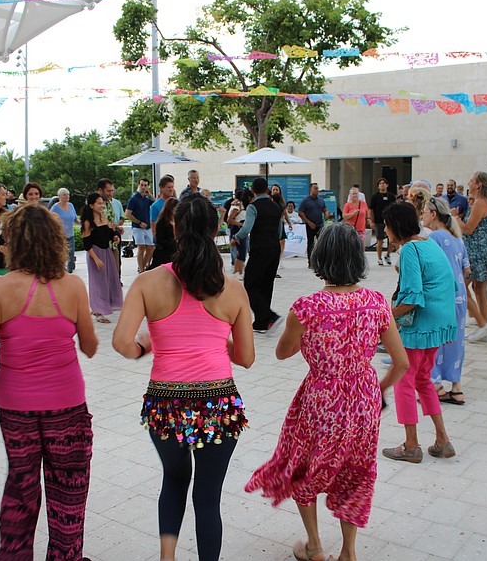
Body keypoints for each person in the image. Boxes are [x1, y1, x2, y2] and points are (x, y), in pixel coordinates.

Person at [245, 223, 409, 561]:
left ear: (320, 258)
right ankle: (349, 552)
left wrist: (309, 340)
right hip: (364, 399)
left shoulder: (307, 308)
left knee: (305, 466)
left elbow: (282, 352)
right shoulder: (377, 303)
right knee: (357, 470)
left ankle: (315, 545)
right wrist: (378, 389)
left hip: (322, 399)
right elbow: (402, 363)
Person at [112, 194, 255, 561]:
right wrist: (219, 342)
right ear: (215, 229)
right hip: (218, 403)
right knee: (207, 498)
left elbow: (122, 343)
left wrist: (145, 346)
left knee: (174, 481)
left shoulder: (147, 282)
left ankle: (167, 557)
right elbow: (246, 358)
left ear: (174, 228)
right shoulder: (233, 289)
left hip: (165, 402)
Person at [0, 204, 99, 560]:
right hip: (67, 403)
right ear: (55, 241)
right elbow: (89, 347)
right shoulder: (72, 286)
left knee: (21, 483)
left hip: (15, 404)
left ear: (13, 242)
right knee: (69, 486)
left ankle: (14, 555)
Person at [381, 202, 457, 464]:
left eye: (387, 225)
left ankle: (411, 445)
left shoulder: (410, 250)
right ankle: (442, 440)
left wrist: (385, 318)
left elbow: (413, 297)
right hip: (439, 325)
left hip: (419, 327)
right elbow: (450, 283)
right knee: (423, 380)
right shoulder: (430, 243)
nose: (385, 230)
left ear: (396, 226)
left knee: (404, 381)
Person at [422, 197, 470, 405]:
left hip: (442, 296)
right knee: (456, 339)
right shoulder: (457, 238)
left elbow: (429, 267)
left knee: (435, 338)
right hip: (459, 295)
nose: (422, 216)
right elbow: (467, 269)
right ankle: (456, 387)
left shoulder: (434, 238)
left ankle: (436, 385)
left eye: (424, 212)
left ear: (433, 214)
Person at [232, 177, 283, 334]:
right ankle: (262, 322)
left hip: (260, 248)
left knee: (250, 284)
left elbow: (247, 228)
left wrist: (236, 237)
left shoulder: (253, 207)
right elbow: (279, 231)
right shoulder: (276, 207)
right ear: (267, 189)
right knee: (266, 284)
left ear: (253, 191)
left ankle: (270, 316)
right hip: (274, 248)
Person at [457, 171, 487, 343]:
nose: (469, 183)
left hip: (478, 251)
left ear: (478, 184)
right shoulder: (485, 202)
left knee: (461, 285)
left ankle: (482, 324)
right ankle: (483, 324)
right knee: (479, 288)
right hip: (483, 249)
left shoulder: (480, 203)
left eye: (471, 181)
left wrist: (455, 218)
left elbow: (468, 229)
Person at [81, 192, 123, 323]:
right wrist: (96, 259)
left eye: (102, 204)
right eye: (98, 203)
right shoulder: (88, 223)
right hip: (95, 253)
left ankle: (107, 305)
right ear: (91, 205)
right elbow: (87, 245)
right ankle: (98, 310)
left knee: (110, 280)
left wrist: (115, 237)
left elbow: (110, 234)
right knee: (98, 282)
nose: (101, 206)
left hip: (107, 252)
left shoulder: (103, 218)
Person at [126, 178, 155, 273]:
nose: (143, 187)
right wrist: (138, 222)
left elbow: (156, 203)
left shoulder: (147, 199)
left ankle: (143, 266)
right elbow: (128, 214)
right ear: (138, 185)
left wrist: (150, 195)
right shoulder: (134, 199)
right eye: (141, 185)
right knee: (141, 248)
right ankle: (141, 269)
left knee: (150, 248)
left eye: (145, 185)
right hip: (138, 227)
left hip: (147, 226)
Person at [298, 183, 328, 263]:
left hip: (320, 225)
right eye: (315, 188)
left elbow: (324, 209)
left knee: (322, 243)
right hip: (310, 225)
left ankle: (322, 261)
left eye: (317, 188)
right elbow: (300, 213)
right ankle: (311, 261)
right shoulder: (305, 201)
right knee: (311, 243)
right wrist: (308, 222)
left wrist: (326, 213)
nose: (317, 190)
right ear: (311, 189)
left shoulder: (321, 200)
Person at [50, 188, 78, 274]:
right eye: (64, 195)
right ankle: (61, 272)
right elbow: (50, 219)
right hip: (60, 235)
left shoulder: (71, 205)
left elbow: (75, 219)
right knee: (61, 255)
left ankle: (70, 273)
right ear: (60, 196)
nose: (67, 196)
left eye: (68, 194)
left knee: (71, 255)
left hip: (70, 235)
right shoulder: (55, 207)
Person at [369, 178, 396, 266]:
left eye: (384, 183)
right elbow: (371, 210)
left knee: (392, 239)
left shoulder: (391, 196)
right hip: (379, 221)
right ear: (378, 186)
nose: (382, 185)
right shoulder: (375, 197)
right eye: (380, 183)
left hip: (390, 221)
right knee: (379, 240)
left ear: (387, 185)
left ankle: (388, 255)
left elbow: (395, 208)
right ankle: (379, 258)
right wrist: (371, 221)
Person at [147, 197, 178, 270]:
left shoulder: (176, 221)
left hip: (174, 252)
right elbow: (160, 240)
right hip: (164, 253)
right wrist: (173, 244)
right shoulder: (162, 222)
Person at [271, 184, 293, 275]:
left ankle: (279, 260)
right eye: (273, 189)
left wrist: (289, 223)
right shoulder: (270, 201)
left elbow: (285, 213)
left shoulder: (282, 202)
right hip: (273, 225)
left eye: (277, 189)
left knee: (282, 243)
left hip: (280, 224)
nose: (275, 191)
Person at [227, 189, 249, 277]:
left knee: (243, 250)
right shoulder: (236, 207)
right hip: (237, 229)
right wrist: (240, 224)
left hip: (242, 229)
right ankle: (238, 271)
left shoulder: (242, 206)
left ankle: (238, 270)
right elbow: (229, 219)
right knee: (240, 251)